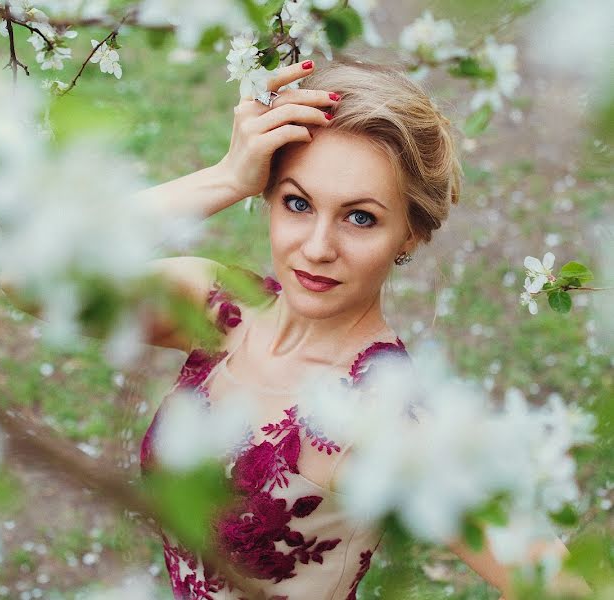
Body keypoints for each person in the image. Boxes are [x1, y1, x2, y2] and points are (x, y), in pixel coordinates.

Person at [132, 58, 587, 600]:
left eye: (360, 217)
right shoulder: (217, 308)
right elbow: (29, 280)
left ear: (411, 235)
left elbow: (562, 586)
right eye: (298, 203)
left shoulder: (379, 416)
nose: (318, 247)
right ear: (268, 196)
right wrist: (226, 175)